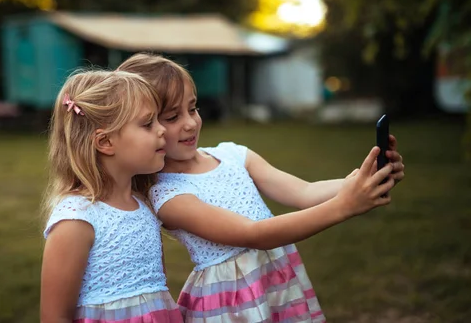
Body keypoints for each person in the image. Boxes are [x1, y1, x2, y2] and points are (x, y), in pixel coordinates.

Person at [118, 53, 406, 322]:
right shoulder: (168, 196)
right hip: (231, 303)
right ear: (147, 126)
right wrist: (344, 206)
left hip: (276, 282)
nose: (191, 123)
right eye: (172, 117)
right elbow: (253, 234)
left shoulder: (233, 155)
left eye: (193, 108)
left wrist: (362, 180)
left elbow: (303, 192)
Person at [40, 69, 183, 323]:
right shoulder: (77, 220)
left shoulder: (145, 205)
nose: (162, 130)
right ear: (105, 142)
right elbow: (54, 317)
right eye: (148, 123)